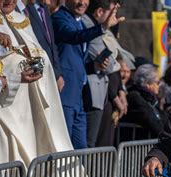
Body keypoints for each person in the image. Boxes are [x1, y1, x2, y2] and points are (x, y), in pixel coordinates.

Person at [0, 0, 74, 166]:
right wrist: (14, 77)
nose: (9, 1)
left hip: (31, 108)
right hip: (5, 111)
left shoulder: (20, 20)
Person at [51, 0, 124, 149]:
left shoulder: (80, 23)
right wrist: (103, 27)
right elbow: (74, 36)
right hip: (65, 92)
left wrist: (94, 66)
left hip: (79, 95)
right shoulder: (59, 18)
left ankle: (77, 173)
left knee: (82, 148)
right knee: (63, 145)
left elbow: (79, 60)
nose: (82, 2)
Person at [22, 0, 64, 92]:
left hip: (50, 75)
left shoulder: (44, 8)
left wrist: (57, 74)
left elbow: (52, 44)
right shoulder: (25, 8)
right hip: (36, 75)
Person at [122, 64, 165, 138]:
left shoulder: (151, 99)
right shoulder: (135, 98)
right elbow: (154, 124)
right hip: (136, 146)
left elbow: (164, 118)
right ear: (147, 83)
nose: (159, 85)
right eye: (157, 82)